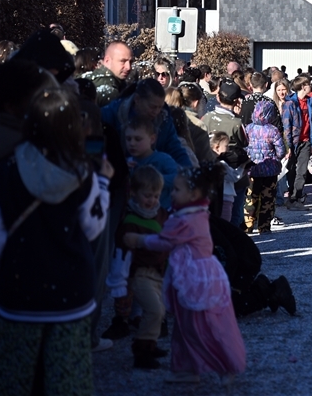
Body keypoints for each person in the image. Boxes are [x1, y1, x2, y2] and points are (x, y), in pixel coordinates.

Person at [0, 88, 112, 394]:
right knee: (67, 380)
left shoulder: (4, 170)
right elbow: (94, 227)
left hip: (18, 292)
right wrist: (103, 182)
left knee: (13, 379)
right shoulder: (81, 171)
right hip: (71, 294)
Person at [122, 164, 247, 385]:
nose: (172, 194)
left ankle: (221, 365)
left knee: (195, 327)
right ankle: (186, 368)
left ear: (194, 194)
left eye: (177, 190)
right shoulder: (196, 213)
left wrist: (138, 240)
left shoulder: (186, 219)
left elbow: (164, 241)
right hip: (196, 276)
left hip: (194, 280)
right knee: (184, 325)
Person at [110, 165, 169, 369]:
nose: (151, 200)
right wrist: (119, 281)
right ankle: (141, 351)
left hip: (158, 273)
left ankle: (149, 344)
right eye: (147, 195)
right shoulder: (130, 220)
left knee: (159, 310)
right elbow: (121, 251)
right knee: (154, 310)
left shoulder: (160, 214)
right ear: (134, 193)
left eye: (155, 195)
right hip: (139, 273)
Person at [201, 80, 249, 225]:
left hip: (211, 169)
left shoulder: (206, 118)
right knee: (235, 213)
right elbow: (245, 143)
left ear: (217, 97)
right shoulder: (236, 123)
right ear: (236, 101)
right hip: (234, 169)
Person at [244, 99, 285, 234]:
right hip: (269, 170)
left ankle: (248, 225)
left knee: (250, 198)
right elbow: (281, 151)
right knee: (268, 199)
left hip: (252, 169)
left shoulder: (248, 128)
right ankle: (264, 226)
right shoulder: (273, 130)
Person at [124, 115, 180, 211]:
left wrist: (155, 180)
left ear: (152, 139)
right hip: (134, 212)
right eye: (128, 139)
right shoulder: (127, 162)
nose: (132, 143)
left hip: (162, 213)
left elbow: (178, 177)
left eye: (138, 139)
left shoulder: (163, 159)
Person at [282, 75, 312, 210]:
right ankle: (291, 196)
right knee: (291, 170)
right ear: (303, 86)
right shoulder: (290, 103)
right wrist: (288, 145)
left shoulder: (310, 101)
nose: (311, 87)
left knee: (302, 171)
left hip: (306, 141)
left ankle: (297, 196)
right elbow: (286, 125)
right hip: (294, 142)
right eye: (309, 84)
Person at [82, 41, 133, 106]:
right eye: (122, 61)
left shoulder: (92, 79)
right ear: (107, 61)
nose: (128, 67)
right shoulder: (109, 92)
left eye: (130, 62)